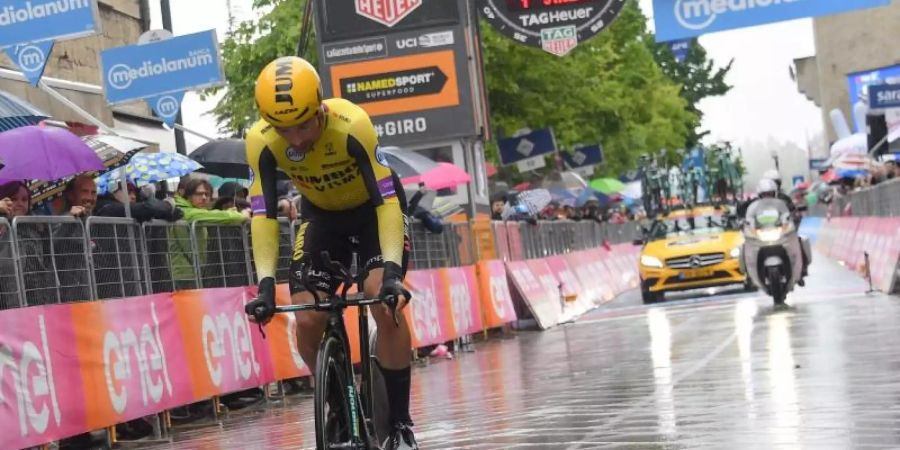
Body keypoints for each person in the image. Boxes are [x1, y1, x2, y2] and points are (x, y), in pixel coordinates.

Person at [243, 56, 417, 449]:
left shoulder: (352, 124)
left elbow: (386, 202)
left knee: (382, 299)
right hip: (322, 216)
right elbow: (263, 215)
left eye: (304, 125)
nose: (298, 139)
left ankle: (402, 422)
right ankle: (338, 403)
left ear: (321, 106)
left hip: (374, 211)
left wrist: (391, 273)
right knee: (306, 315)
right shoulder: (261, 141)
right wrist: (265, 286)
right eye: (285, 129)